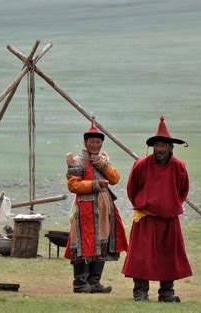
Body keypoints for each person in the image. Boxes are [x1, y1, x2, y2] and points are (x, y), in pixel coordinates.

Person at [122, 115, 192, 302]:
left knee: (169, 256)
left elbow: (183, 189)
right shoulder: (141, 165)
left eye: (163, 145)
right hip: (146, 217)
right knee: (141, 256)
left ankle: (166, 293)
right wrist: (143, 205)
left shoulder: (179, 166)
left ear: (171, 148)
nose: (159, 149)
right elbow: (132, 189)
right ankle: (140, 292)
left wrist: (171, 205)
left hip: (169, 219)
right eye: (157, 145)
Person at [65, 117, 128, 293]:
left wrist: (101, 163)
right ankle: (80, 283)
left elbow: (115, 179)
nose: (94, 145)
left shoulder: (102, 161)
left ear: (101, 144)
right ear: (86, 142)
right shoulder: (77, 161)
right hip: (85, 209)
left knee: (102, 241)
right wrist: (94, 185)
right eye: (92, 141)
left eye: (98, 142)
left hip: (103, 210)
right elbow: (73, 185)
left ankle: (94, 282)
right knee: (83, 243)